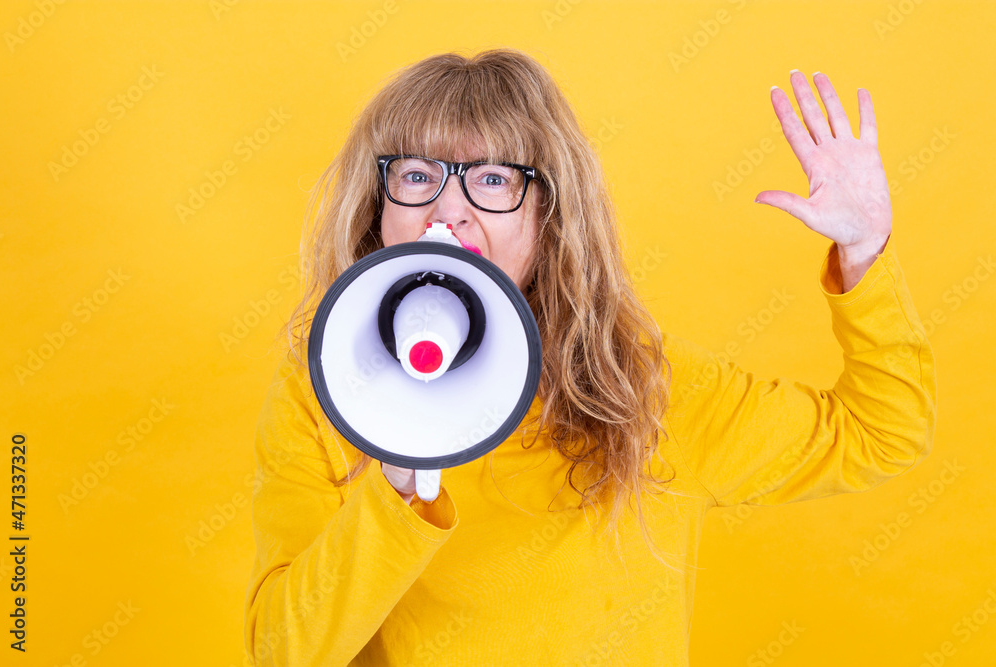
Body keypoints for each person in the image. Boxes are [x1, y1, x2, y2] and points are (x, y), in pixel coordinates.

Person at [243, 48, 936, 666]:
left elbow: (883, 432)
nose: (445, 212)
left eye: (491, 180)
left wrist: (865, 250)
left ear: (551, 212)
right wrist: (393, 484)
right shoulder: (320, 392)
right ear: (377, 207)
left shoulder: (647, 388)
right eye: (417, 174)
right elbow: (283, 652)